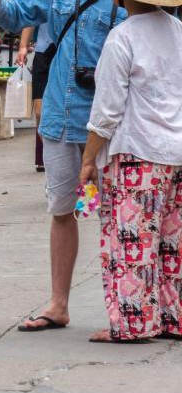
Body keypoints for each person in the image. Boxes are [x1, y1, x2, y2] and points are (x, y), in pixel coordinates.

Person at [0, 0, 126, 332]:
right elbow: (18, 15)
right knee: (62, 211)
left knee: (118, 218)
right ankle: (58, 305)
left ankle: (124, 311)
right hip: (61, 118)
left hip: (108, 126)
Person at [80, 2, 182, 343]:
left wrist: (88, 158)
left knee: (132, 242)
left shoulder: (121, 38)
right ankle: (175, 318)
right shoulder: (179, 31)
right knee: (173, 243)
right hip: (177, 153)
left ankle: (132, 324)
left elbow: (107, 109)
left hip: (140, 154)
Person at [15, 24, 51, 173]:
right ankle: (49, 154)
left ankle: (55, 157)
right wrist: (23, 46)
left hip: (68, 54)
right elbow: (30, 16)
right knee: (39, 113)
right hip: (42, 54)